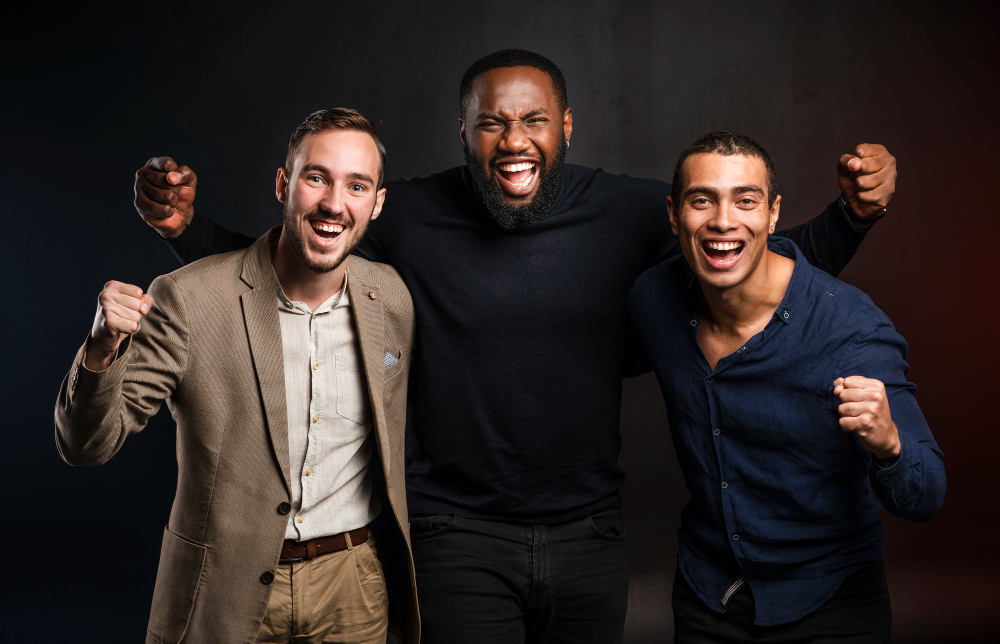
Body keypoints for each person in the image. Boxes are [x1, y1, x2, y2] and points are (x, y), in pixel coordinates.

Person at [131, 50, 897, 643]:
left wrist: (852, 216)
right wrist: (186, 230)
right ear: (465, 131)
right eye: (492, 122)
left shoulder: (631, 211)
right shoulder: (411, 213)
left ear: (567, 126)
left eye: (534, 120)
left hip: (590, 533)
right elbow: (290, 266)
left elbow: (755, 264)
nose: (515, 139)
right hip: (455, 532)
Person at [55, 108, 420, 644]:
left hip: (353, 585)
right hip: (221, 586)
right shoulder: (189, 298)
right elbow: (85, 445)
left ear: (377, 203)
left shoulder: (389, 298)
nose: (333, 203)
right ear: (283, 185)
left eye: (357, 186)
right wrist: (102, 347)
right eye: (316, 178)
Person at [627, 130, 945, 642]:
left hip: (830, 603)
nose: (723, 220)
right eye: (702, 200)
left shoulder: (850, 330)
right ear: (673, 214)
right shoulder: (653, 301)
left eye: (745, 200)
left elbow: (926, 496)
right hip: (709, 596)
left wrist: (889, 445)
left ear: (772, 214)